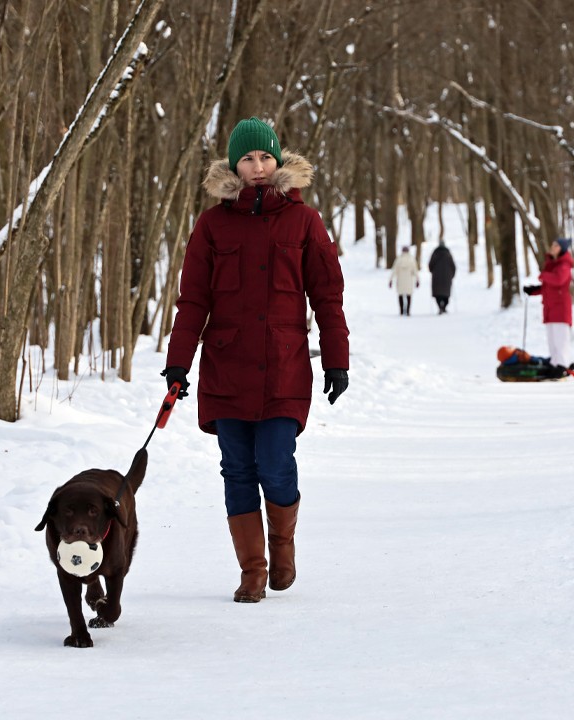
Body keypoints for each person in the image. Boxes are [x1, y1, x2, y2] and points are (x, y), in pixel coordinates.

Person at [162, 117, 350, 603]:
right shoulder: (211, 224)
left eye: (265, 156)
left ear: (279, 159)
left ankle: (282, 547)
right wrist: (178, 363)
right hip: (226, 368)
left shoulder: (305, 221)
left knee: (276, 462)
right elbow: (193, 301)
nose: (258, 166)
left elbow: (327, 296)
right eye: (248, 158)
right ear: (234, 165)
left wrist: (336, 360)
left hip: (285, 365)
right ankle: (252, 570)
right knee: (237, 469)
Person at [523, 237, 574, 376]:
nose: (552, 247)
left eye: (556, 245)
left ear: (562, 249)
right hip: (551, 308)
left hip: (560, 308)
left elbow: (558, 280)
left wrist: (543, 275)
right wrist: (534, 290)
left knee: (560, 339)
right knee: (552, 338)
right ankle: (555, 362)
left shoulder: (564, 265)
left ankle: (563, 364)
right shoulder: (553, 265)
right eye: (552, 244)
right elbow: (548, 287)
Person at [428, 240, 456, 314]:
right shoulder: (448, 254)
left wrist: (432, 271)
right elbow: (453, 266)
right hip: (447, 277)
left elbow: (430, 265)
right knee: (446, 293)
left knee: (437, 293)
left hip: (436, 277)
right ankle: (443, 307)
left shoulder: (435, 253)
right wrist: (452, 275)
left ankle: (440, 307)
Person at [389, 245, 419, 315]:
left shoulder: (398, 260)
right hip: (409, 280)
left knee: (400, 295)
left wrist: (390, 280)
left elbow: (394, 270)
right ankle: (408, 311)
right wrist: (417, 279)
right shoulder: (411, 259)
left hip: (400, 280)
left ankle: (401, 311)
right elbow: (415, 271)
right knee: (409, 295)